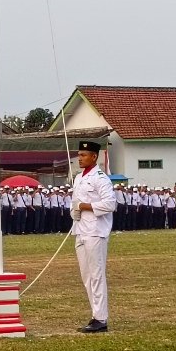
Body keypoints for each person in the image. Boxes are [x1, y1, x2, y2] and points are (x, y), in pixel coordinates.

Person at [70, 141, 116, 333]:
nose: (80, 158)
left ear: (94, 157)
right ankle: (95, 314)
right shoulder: (79, 177)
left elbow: (110, 204)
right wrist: (75, 211)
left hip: (96, 231)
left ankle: (101, 318)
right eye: (79, 155)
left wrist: (84, 206)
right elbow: (75, 202)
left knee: (96, 275)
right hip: (80, 229)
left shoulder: (100, 178)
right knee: (87, 276)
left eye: (83, 155)